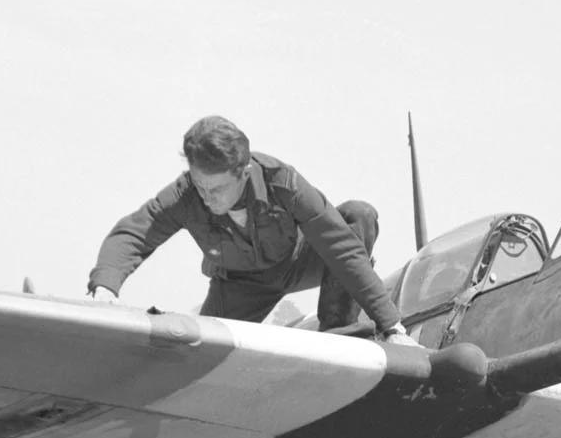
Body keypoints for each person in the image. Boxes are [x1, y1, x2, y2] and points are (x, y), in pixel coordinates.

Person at [87, 116, 412, 340]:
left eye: (216, 189)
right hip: (240, 285)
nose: (206, 197)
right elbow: (135, 232)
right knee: (198, 359)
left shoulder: (284, 183)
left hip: (298, 261)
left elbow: (342, 248)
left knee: (359, 214)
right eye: (200, 186)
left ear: (244, 173)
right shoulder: (186, 195)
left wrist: (393, 326)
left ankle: (336, 334)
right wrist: (105, 288)